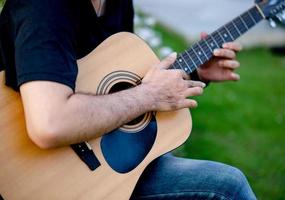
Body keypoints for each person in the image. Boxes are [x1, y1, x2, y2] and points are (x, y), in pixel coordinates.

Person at [0, 0, 257, 199]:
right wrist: (149, 95)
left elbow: (122, 77)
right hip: (46, 180)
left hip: (106, 169)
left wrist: (192, 72)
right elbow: (50, 124)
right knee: (227, 187)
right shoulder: (44, 8)